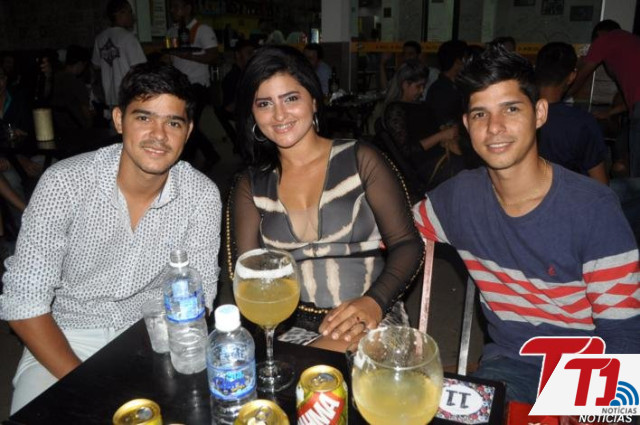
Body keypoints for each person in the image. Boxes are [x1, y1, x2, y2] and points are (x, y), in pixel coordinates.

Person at [413, 46, 640, 404]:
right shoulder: (457, 199)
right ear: (467, 125)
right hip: (511, 364)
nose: (495, 127)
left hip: (588, 366)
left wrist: (590, 403)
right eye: (480, 114)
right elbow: (396, 234)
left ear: (540, 113)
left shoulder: (594, 209)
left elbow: (624, 335)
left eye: (511, 109)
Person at [0, 62, 222, 413]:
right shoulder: (65, 184)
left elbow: (201, 293)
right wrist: (89, 386)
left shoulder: (201, 195)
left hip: (153, 336)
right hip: (66, 333)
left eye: (173, 123)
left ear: (189, 131)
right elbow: (24, 304)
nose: (159, 135)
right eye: (144, 117)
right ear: (119, 119)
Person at [231, 45, 423, 352]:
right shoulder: (250, 185)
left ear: (314, 100)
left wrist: (375, 301)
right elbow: (246, 274)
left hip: (370, 314)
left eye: (291, 98)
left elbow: (407, 244)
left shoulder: (361, 159)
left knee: (327, 368)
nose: (279, 115)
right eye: (264, 104)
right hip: (288, 323)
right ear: (252, 114)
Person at [568, 20, 640, 177]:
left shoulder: (604, 40)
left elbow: (581, 76)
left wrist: (561, 96)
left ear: (599, 35)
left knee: (636, 173)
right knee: (625, 156)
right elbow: (632, 98)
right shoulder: (633, 41)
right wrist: (610, 112)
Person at [535, 42, 608, 185]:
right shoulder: (581, 122)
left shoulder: (517, 114)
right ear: (571, 76)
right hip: (570, 194)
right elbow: (601, 184)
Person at [167, 0, 220, 170]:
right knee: (186, 121)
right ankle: (202, 155)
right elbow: (172, 58)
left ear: (188, 8)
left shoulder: (202, 29)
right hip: (179, 85)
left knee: (186, 121)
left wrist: (188, 56)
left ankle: (198, 157)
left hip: (198, 84)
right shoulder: (172, 31)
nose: (172, 10)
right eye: (172, 7)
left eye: (177, 6)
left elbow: (213, 55)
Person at [92, 0, 147, 123]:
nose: (132, 16)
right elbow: (141, 69)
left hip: (110, 98)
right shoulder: (128, 38)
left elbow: (96, 66)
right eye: (129, 12)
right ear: (119, 14)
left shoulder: (100, 38)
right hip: (129, 96)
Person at [51, 45, 94, 130]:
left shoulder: (54, 78)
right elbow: (85, 111)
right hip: (76, 128)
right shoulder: (76, 83)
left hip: (57, 128)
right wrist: (90, 126)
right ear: (80, 63)